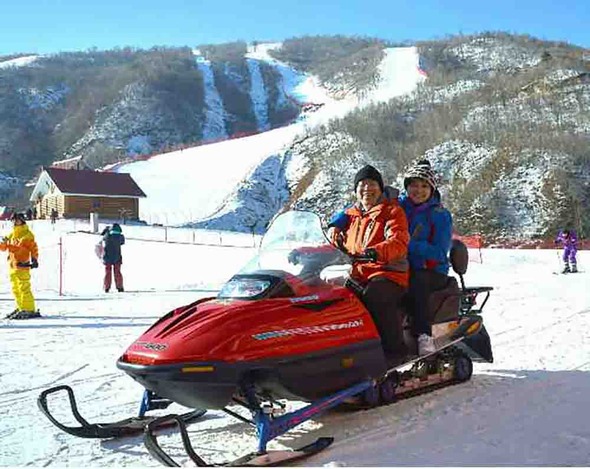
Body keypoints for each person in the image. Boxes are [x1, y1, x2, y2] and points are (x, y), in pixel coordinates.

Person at [328, 165, 410, 362]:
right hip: (357, 273)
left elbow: (398, 241)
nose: (367, 189)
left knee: (375, 297)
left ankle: (395, 352)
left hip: (388, 273)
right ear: (356, 190)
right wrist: (305, 252)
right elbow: (335, 244)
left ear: (381, 188)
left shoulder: (392, 212)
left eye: (372, 184)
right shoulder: (350, 216)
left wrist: (376, 252)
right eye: (362, 185)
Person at [399, 160, 453, 355]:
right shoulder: (399, 208)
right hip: (401, 265)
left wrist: (409, 245)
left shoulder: (439, 214)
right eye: (413, 184)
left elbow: (440, 252)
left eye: (424, 186)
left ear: (431, 189)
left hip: (431, 270)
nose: (418, 190)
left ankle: (424, 335)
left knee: (416, 282)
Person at [0, 213, 40, 319]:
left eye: (17, 220)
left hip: (22, 264)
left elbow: (33, 248)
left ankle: (29, 309)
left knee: (24, 287)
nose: (15, 222)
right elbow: (3, 248)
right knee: (15, 288)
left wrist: (34, 259)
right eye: (13, 220)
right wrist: (3, 242)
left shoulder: (27, 234)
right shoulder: (11, 234)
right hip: (13, 265)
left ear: (22, 221)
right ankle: (21, 307)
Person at [101, 223, 125, 292]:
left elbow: (102, 237)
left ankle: (106, 287)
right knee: (117, 272)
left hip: (107, 256)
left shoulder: (107, 236)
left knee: (108, 272)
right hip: (117, 256)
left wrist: (106, 230)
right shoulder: (120, 237)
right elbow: (122, 242)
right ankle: (120, 287)